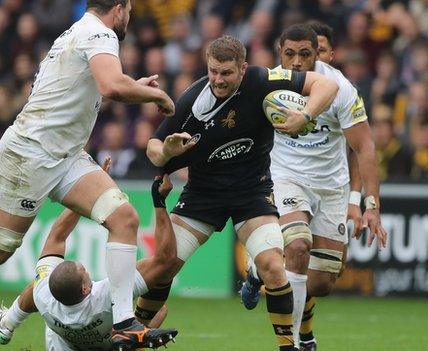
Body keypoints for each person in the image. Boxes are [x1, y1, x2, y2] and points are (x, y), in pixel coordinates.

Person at [0, 1, 177, 348]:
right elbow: (111, 86)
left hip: (65, 156)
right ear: (120, 8)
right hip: (30, 155)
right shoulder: (101, 33)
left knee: (124, 218)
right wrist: (155, 94)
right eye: (129, 9)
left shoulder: (78, 32)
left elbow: (94, 86)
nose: (129, 17)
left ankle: (124, 323)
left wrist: (134, 84)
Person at [137, 35, 339, 351]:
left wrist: (305, 114)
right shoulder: (193, 102)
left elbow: (326, 86)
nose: (218, 79)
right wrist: (166, 152)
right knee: (163, 266)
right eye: (213, 71)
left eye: (226, 73)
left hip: (252, 192)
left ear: (243, 68)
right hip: (202, 196)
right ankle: (131, 333)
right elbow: (153, 148)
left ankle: (289, 347)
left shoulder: (262, 80)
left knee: (274, 266)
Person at [239, 24, 388, 351]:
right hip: (284, 177)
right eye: (289, 54)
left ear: (317, 55)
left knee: (320, 282)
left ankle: (256, 268)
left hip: (330, 187)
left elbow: (364, 147)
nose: (296, 62)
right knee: (298, 247)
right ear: (280, 53)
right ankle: (291, 344)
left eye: (305, 54)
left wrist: (369, 204)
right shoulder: (268, 84)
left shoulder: (340, 88)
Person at [0, 175, 178, 351]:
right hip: (109, 342)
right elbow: (165, 261)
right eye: (83, 270)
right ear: (86, 289)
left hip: (62, 345)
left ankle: (7, 323)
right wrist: (159, 202)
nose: (85, 268)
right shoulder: (104, 295)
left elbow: (57, 236)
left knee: (36, 285)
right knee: (159, 309)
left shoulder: (45, 297)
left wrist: (83, 194)